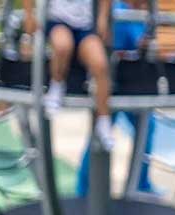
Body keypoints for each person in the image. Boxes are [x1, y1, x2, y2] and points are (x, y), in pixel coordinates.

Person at [27, 0, 116, 151]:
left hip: (84, 27)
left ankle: (104, 118)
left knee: (100, 64)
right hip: (58, 22)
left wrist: (103, 18)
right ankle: (56, 84)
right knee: (63, 45)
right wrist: (29, 14)